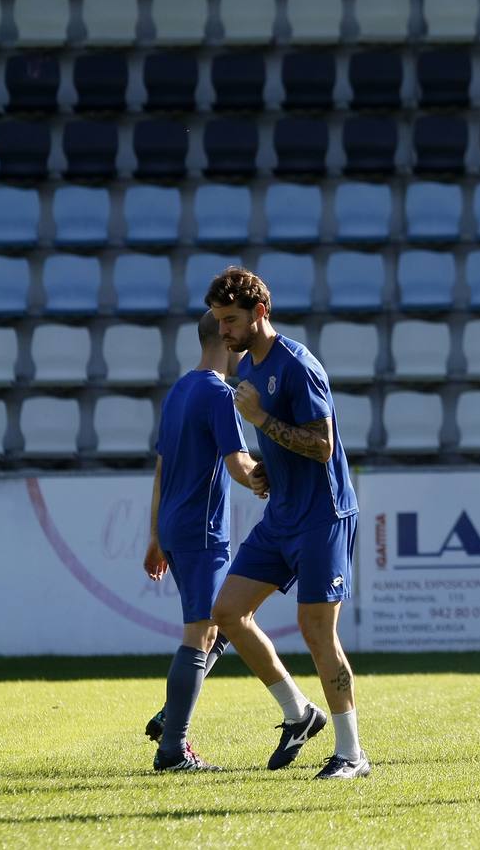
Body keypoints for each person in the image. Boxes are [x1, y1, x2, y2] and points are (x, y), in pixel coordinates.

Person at [205, 267, 370, 780]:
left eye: (230, 319)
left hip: (322, 516)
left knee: (317, 630)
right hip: (282, 515)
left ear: (260, 312)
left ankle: (352, 755)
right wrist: (265, 474)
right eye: (217, 321)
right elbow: (285, 444)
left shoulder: (297, 364)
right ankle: (300, 713)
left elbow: (323, 445)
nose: (222, 331)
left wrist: (262, 424)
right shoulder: (248, 370)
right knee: (228, 612)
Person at [143, 311, 268, 772]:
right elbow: (239, 467)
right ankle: (173, 749)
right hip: (201, 530)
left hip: (176, 527)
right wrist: (278, 476)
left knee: (224, 621)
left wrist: (155, 533)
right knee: (204, 630)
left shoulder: (179, 389)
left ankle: (171, 715)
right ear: (228, 338)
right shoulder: (219, 393)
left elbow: (161, 468)